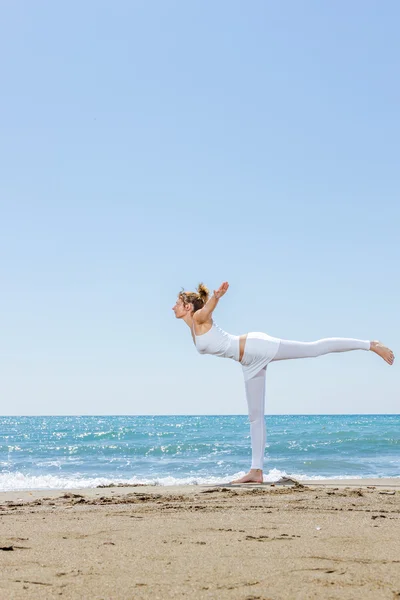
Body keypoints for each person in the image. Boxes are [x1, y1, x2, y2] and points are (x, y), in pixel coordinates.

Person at [172, 282, 395, 484]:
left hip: (255, 346)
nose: (173, 307)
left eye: (178, 303)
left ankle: (370, 344)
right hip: (247, 362)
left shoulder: (200, 317)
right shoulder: (193, 325)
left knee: (313, 349)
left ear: (188, 308)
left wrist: (216, 297)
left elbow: (207, 309)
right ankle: (256, 471)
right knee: (255, 416)